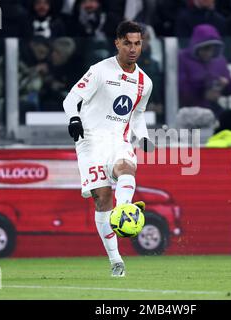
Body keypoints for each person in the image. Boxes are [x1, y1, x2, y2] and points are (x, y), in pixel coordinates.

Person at [62, 21, 154, 277]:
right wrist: (74, 119)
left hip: (118, 139)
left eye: (137, 43)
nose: (133, 49)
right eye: (128, 43)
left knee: (126, 168)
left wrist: (143, 136)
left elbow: (137, 115)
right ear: (117, 43)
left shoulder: (144, 82)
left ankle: (125, 209)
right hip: (90, 140)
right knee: (102, 199)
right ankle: (116, 260)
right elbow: (71, 99)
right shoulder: (100, 71)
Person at [178, 24, 231, 118]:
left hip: (213, 108)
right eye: (205, 49)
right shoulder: (182, 59)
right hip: (189, 110)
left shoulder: (220, 61)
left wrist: (225, 85)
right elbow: (181, 88)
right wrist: (203, 93)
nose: (208, 53)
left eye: (212, 49)